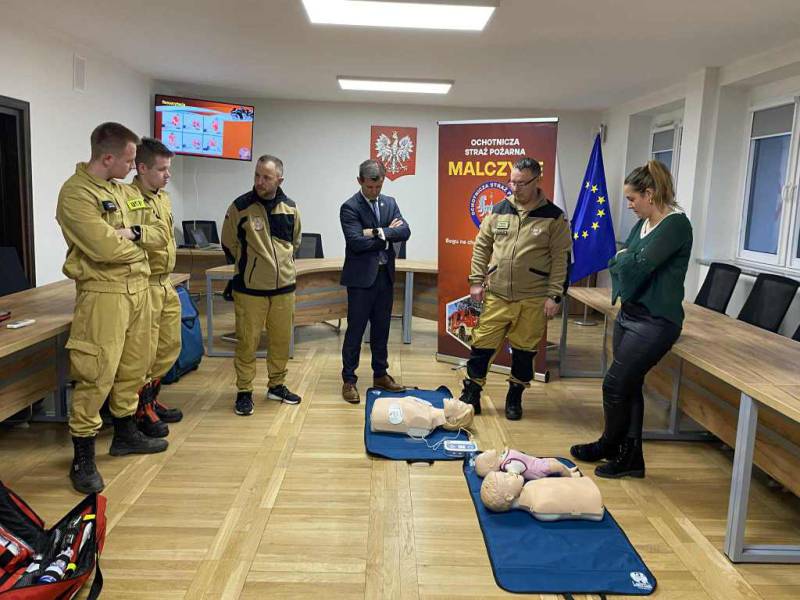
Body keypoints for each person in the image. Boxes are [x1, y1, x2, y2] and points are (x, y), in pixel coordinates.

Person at [56, 122, 167, 494]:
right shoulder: (76, 194)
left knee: (134, 366)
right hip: (104, 294)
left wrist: (133, 233)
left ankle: (125, 433)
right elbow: (103, 248)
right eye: (129, 160)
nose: (134, 167)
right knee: (97, 372)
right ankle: (83, 456)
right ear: (107, 158)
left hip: (138, 289)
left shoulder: (124, 192)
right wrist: (137, 246)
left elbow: (159, 233)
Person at [570, 160, 692, 479]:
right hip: (630, 314)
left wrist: (625, 261)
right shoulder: (644, 224)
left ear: (649, 194)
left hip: (656, 321)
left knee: (614, 384)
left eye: (632, 198)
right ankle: (629, 455)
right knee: (629, 383)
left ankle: (611, 444)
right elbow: (622, 262)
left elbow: (636, 267)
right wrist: (625, 260)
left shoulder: (676, 225)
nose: (629, 205)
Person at [459, 157, 572, 420]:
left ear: (537, 180)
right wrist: (476, 281)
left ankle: (514, 396)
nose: (514, 187)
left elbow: (561, 259)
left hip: (533, 298)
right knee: (481, 346)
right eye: (511, 182)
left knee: (523, 352)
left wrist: (555, 295)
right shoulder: (499, 209)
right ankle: (472, 393)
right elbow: (482, 246)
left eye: (521, 183)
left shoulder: (553, 217)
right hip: (497, 294)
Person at [221, 154, 302, 416]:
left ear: (279, 180)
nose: (259, 181)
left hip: (284, 289)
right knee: (247, 342)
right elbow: (229, 243)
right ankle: (244, 391)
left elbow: (295, 243)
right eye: (257, 175)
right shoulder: (240, 207)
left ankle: (276, 386)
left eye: (266, 177)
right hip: (250, 290)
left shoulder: (290, 208)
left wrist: (281, 267)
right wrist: (250, 267)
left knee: (280, 341)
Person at [339, 159, 411, 403]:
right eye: (370, 187)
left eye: (378, 186)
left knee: (382, 329)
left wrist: (376, 232)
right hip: (360, 280)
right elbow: (356, 242)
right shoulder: (350, 207)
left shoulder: (389, 203)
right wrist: (387, 235)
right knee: (355, 330)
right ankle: (349, 379)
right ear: (359, 181)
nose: (374, 191)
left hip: (384, 277)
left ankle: (380, 374)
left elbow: (405, 231)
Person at [129, 137, 183, 437]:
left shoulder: (162, 198)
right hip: (145, 283)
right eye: (162, 169)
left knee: (169, 345)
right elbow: (135, 237)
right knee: (144, 351)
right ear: (142, 168)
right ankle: (140, 408)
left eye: (168, 168)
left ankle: (152, 398)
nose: (167, 174)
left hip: (165, 282)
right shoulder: (129, 198)